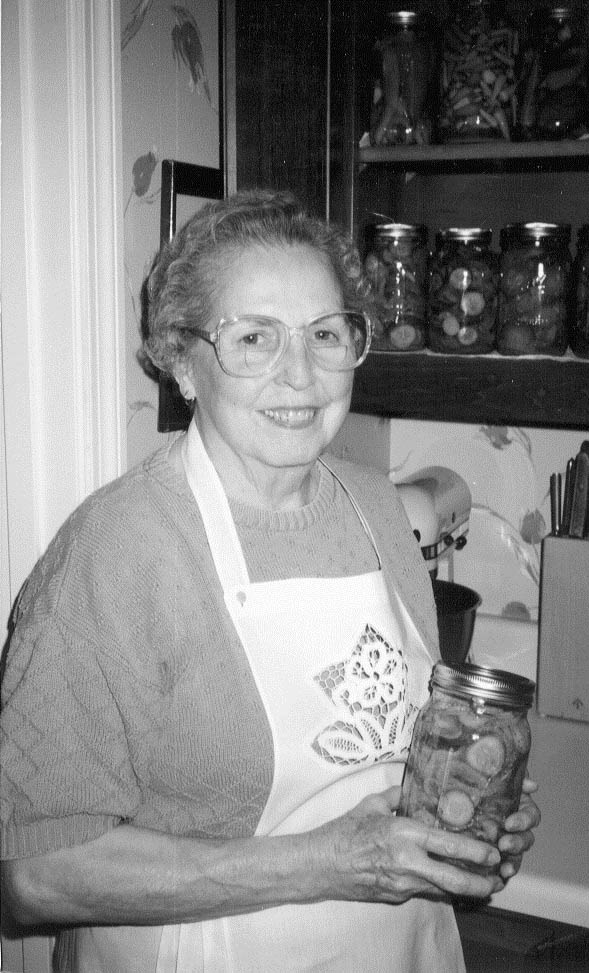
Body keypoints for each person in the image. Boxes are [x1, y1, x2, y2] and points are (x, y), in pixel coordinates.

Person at [0, 189, 539, 972]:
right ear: (184, 362)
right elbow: (35, 877)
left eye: (325, 334)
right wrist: (326, 862)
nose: (301, 373)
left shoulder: (380, 508)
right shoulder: (115, 552)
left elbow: (399, 762)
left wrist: (469, 815)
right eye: (254, 337)